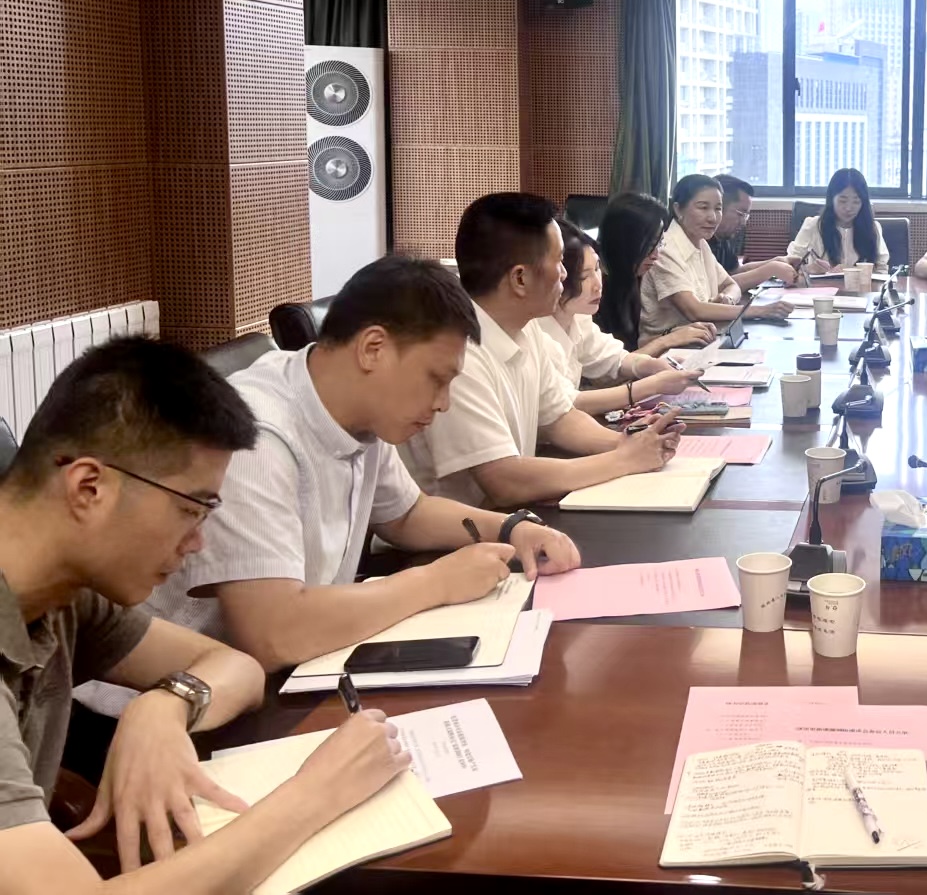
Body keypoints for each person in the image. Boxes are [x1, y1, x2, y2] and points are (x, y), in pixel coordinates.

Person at [0, 338, 410, 887]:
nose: (197, 542)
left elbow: (237, 667)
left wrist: (166, 704)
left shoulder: (65, 596)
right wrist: (319, 792)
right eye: (191, 509)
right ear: (89, 488)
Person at [137, 255, 582, 674]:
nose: (443, 403)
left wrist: (511, 528)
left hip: (306, 661)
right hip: (185, 696)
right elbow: (272, 635)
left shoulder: (359, 409)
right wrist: (436, 583)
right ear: (373, 349)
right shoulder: (258, 438)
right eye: (436, 379)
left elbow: (407, 514)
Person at [404, 193, 680, 508]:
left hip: (503, 518)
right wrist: (623, 459)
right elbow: (504, 481)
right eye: (559, 261)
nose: (565, 273)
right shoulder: (459, 353)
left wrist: (631, 443)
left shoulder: (526, 327)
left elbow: (560, 419)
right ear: (520, 278)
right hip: (456, 529)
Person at [543, 220, 701, 418]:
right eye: (584, 277)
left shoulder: (577, 316)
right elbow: (568, 403)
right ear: (557, 276)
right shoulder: (538, 331)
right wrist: (650, 386)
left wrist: (651, 365)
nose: (597, 285)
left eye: (597, 268)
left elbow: (613, 358)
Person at [640, 176, 792, 340]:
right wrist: (762, 311)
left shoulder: (701, 243)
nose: (712, 217)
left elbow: (731, 285)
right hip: (665, 346)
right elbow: (694, 310)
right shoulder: (666, 248)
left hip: (705, 337)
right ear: (678, 210)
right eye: (703, 207)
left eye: (718, 208)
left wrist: (727, 299)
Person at [594, 193, 716, 354]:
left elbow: (630, 346)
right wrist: (668, 340)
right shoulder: (594, 286)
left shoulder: (631, 275)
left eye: (659, 244)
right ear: (624, 240)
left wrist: (673, 334)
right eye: (650, 245)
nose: (656, 255)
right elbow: (611, 365)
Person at [788, 168, 890, 276]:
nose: (849, 208)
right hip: (821, 287)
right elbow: (790, 266)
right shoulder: (813, 226)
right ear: (831, 199)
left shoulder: (873, 229)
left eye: (856, 202)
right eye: (843, 201)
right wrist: (808, 269)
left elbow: (882, 270)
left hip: (861, 287)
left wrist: (853, 272)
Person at [707, 175, 796, 292]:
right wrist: (769, 270)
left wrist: (776, 261)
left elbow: (734, 272)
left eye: (746, 215)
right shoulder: (702, 240)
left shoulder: (722, 238)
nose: (743, 223)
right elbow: (716, 287)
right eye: (740, 214)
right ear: (719, 207)